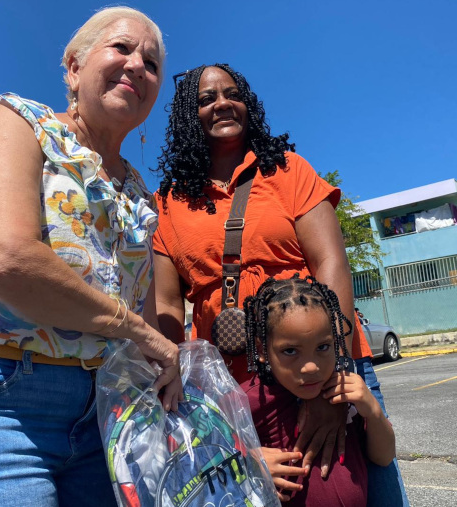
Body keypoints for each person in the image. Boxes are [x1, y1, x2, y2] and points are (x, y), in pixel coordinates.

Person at [0, 7, 180, 506]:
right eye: (121, 48)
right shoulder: (21, 122)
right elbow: (5, 257)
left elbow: (148, 317)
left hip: (105, 413)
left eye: (152, 63)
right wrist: (138, 332)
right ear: (74, 68)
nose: (138, 65)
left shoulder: (141, 194)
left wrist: (166, 369)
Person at [153, 63, 408, 505]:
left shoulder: (288, 171)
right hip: (233, 388)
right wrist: (173, 382)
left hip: (321, 364)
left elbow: (331, 262)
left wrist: (335, 379)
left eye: (232, 93)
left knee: (364, 491)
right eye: (206, 99)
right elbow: (168, 304)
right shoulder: (168, 201)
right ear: (187, 117)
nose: (222, 104)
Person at [242, 275, 395, 505]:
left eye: (323, 347)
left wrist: (372, 410)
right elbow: (205, 457)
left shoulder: (345, 391)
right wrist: (249, 463)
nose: (311, 366)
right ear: (263, 349)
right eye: (291, 351)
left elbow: (384, 457)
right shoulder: (251, 400)